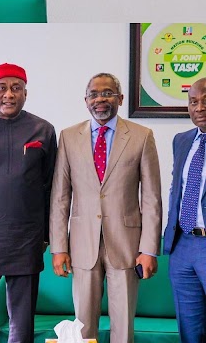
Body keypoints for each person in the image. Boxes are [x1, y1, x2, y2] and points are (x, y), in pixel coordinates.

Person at [50, 73, 162, 343]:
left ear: (120, 98)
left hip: (125, 244)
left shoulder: (141, 136)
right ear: (86, 100)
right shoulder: (68, 137)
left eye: (108, 93)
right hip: (82, 245)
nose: (100, 99)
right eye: (94, 94)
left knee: (123, 325)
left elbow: (151, 198)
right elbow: (60, 197)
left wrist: (148, 250)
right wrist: (59, 247)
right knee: (82, 326)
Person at [0, 63, 57, 343]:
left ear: (26, 93)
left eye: (16, 88)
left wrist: (46, 234)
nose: (9, 94)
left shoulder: (43, 129)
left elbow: (52, 186)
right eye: (2, 88)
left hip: (25, 236)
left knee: (21, 322)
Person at [163, 77, 206, 343]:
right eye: (193, 102)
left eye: (205, 101)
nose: (199, 107)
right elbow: (175, 189)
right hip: (183, 245)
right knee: (190, 331)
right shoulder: (182, 140)